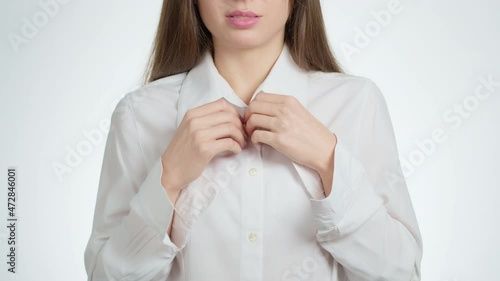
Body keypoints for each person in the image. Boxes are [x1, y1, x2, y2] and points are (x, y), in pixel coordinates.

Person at [84, 0, 423, 280]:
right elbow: (106, 276)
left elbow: (400, 272)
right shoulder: (139, 115)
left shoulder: (356, 103)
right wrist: (168, 179)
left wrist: (327, 160)